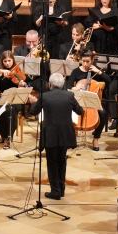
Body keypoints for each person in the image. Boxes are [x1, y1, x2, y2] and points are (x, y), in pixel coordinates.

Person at [35, 72, 84, 200]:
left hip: (50, 134)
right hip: (65, 134)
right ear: (62, 84)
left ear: (50, 84)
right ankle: (61, 190)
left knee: (52, 162)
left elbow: (32, 111)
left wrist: (35, 101)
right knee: (62, 161)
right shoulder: (69, 95)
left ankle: (55, 191)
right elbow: (80, 111)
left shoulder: (44, 96)